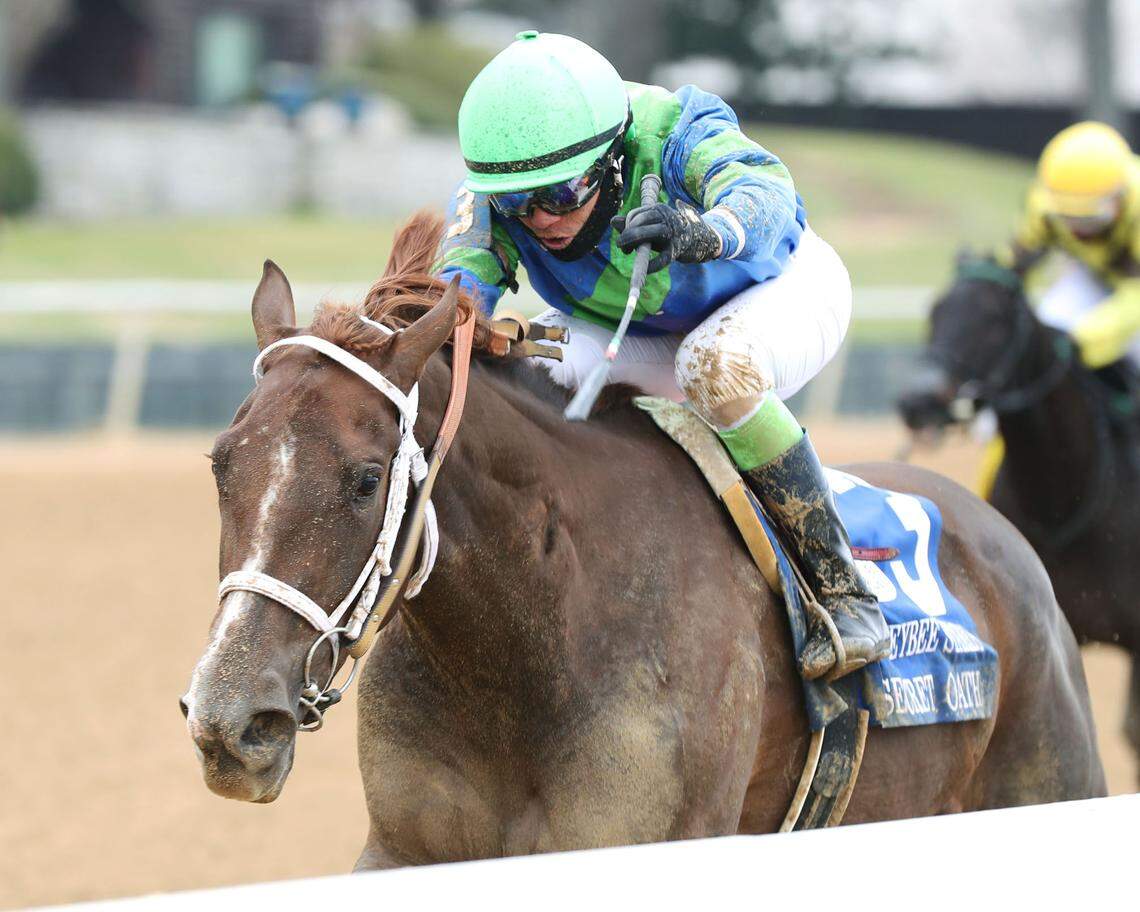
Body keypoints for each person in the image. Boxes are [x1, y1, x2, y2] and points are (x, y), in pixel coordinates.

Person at [434, 30, 887, 681]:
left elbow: (764, 189)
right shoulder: (491, 190)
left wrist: (705, 231)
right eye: (517, 205)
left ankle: (840, 586)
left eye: (561, 195)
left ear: (614, 158)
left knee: (713, 367)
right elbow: (454, 303)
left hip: (781, 287)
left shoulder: (673, 130)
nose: (540, 220)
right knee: (527, 376)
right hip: (641, 322)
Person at [996, 121, 1140, 370]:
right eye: (1068, 219)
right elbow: (1015, 261)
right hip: (1096, 276)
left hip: (1133, 290)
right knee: (1048, 328)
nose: (1078, 231)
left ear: (1121, 197)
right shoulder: (1044, 204)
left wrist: (1085, 338)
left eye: (1090, 220)